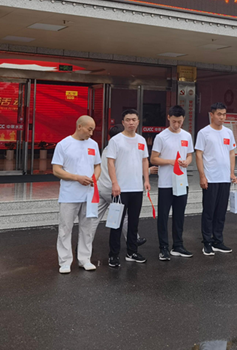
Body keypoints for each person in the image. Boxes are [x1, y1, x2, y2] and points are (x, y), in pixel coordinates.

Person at [51, 116, 101, 274]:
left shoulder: (93, 145)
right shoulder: (64, 144)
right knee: (66, 228)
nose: (91, 133)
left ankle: (85, 259)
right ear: (79, 126)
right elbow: (56, 170)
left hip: (89, 194)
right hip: (69, 194)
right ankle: (65, 261)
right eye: (89, 129)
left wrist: (94, 178)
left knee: (87, 228)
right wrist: (76, 177)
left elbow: (97, 165)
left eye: (93, 130)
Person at [105, 109, 151, 267]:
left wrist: (146, 180)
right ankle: (113, 255)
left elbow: (145, 160)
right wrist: (114, 183)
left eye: (134, 119)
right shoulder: (116, 140)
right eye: (128, 120)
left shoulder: (141, 140)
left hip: (137, 188)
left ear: (138, 122)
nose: (131, 122)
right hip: (120, 189)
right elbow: (110, 162)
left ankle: (132, 252)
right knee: (116, 223)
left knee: (133, 222)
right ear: (123, 122)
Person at [151, 105, 195, 261]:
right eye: (174, 121)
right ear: (168, 118)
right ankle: (163, 247)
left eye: (179, 122)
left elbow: (190, 155)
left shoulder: (187, 136)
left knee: (179, 215)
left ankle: (178, 245)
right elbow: (153, 158)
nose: (176, 125)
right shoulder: (161, 137)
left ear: (183, 120)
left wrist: (187, 162)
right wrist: (170, 161)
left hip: (182, 181)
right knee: (163, 215)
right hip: (166, 183)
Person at [195, 102, 237, 256]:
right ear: (211, 115)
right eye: (219, 114)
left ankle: (218, 241)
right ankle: (207, 242)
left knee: (221, 212)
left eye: (224, 114)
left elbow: (232, 152)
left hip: (224, 178)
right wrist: (202, 176)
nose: (222, 117)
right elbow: (198, 154)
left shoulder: (228, 132)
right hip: (210, 178)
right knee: (209, 211)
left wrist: (231, 172)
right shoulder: (204, 133)